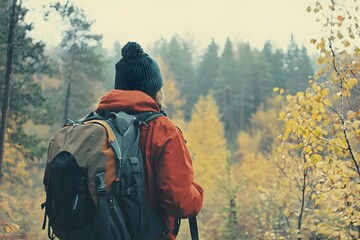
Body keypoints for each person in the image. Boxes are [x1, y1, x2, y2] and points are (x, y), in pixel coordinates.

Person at [95, 42, 203, 239]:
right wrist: (197, 192)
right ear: (155, 90)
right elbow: (180, 201)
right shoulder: (164, 131)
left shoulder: (97, 124)